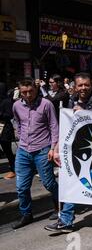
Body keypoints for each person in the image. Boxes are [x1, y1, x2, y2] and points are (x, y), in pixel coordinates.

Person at [45, 73, 92, 233]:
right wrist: (56, 148)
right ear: (75, 86)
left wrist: (85, 113)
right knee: (70, 183)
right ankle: (66, 221)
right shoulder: (69, 100)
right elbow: (66, 126)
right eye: (80, 85)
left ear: (91, 85)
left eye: (86, 85)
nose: (83, 88)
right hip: (74, 149)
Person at [12, 79, 73, 230]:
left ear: (36, 89)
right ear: (20, 91)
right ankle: (26, 214)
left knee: (49, 183)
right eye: (24, 92)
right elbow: (17, 122)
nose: (27, 95)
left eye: (30, 91)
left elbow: (54, 126)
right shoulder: (16, 106)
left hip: (43, 150)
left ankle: (60, 207)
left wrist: (53, 148)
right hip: (23, 151)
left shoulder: (46, 104)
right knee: (21, 187)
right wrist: (19, 136)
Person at [0, 82, 16, 179]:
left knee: (7, 150)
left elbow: (10, 115)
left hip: (5, 128)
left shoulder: (7, 101)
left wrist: (0, 114)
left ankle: (13, 169)